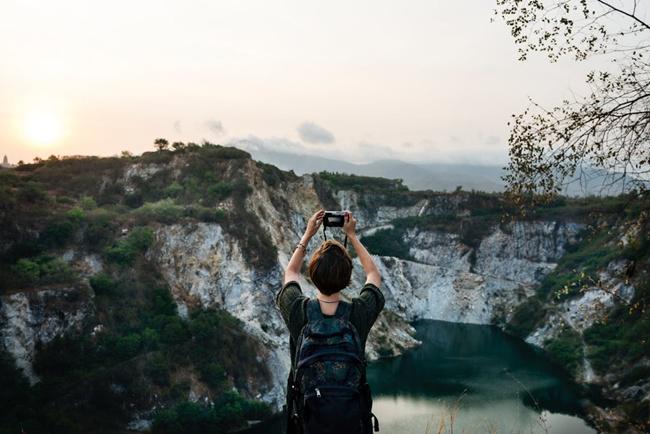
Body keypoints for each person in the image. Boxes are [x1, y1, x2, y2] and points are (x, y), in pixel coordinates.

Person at [275, 208, 385, 434]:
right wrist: (352, 235)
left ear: (313, 275)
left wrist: (307, 235)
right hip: (352, 423)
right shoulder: (358, 314)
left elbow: (291, 273)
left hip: (307, 423)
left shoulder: (299, 312)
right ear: (347, 279)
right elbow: (373, 275)